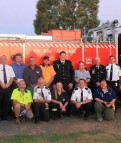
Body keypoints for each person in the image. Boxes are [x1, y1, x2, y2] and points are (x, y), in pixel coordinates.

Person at [0, 55, 15, 121]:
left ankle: (5, 116)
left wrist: (8, 84)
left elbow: (12, 77)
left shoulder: (10, 67)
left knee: (7, 101)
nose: (3, 60)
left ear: (6, 60)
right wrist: (2, 84)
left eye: (5, 59)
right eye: (2, 59)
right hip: (0, 86)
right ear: (0, 60)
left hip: (8, 86)